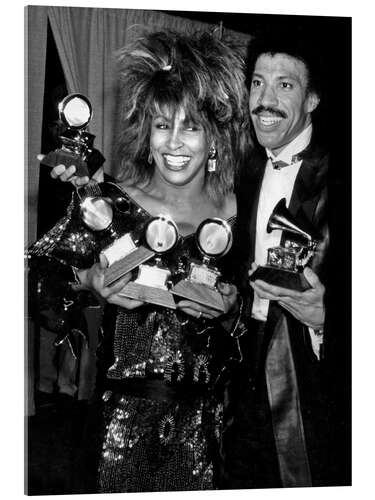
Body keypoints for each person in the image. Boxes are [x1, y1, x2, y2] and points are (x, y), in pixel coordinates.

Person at [28, 30, 249, 493]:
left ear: (213, 139)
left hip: (208, 437)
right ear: (146, 134)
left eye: (190, 125)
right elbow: (40, 285)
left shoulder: (238, 214)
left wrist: (230, 311)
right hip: (117, 431)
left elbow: (259, 328)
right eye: (162, 125)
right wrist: (89, 280)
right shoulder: (113, 204)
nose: (174, 141)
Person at [217, 28, 337, 488]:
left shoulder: (342, 179)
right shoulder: (247, 170)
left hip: (313, 373)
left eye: (284, 84)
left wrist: (327, 317)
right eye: (257, 83)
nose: (264, 99)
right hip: (246, 359)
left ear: (312, 100)